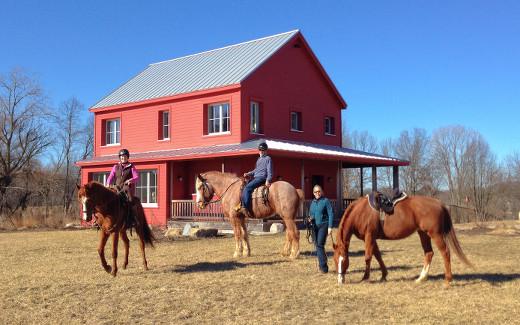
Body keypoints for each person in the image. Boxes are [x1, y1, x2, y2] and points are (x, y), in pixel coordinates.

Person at [235, 142, 273, 216]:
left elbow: (270, 170)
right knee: (242, 186)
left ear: (266, 151)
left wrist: (268, 180)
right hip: (255, 177)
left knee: (247, 188)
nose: (261, 151)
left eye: (263, 150)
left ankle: (245, 208)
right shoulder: (259, 159)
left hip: (261, 178)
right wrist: (248, 173)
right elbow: (256, 170)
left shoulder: (268, 158)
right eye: (260, 150)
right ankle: (241, 203)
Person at [106, 149, 139, 226]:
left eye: (124, 156)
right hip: (116, 187)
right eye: (121, 157)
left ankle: (132, 218)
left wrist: (131, 180)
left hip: (126, 188)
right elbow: (111, 176)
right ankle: (101, 218)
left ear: (127, 157)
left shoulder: (131, 167)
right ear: (119, 158)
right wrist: (108, 183)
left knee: (130, 200)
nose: (123, 158)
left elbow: (136, 177)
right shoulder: (115, 167)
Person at [307, 184, 334, 274]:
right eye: (315, 192)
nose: (317, 193)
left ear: (321, 192)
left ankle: (324, 267)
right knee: (317, 245)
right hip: (315, 226)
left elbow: (330, 213)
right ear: (313, 193)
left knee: (319, 245)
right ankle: (321, 265)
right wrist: (310, 218)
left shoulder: (325, 201)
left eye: (319, 191)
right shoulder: (313, 203)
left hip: (324, 225)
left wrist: (330, 227)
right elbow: (312, 214)